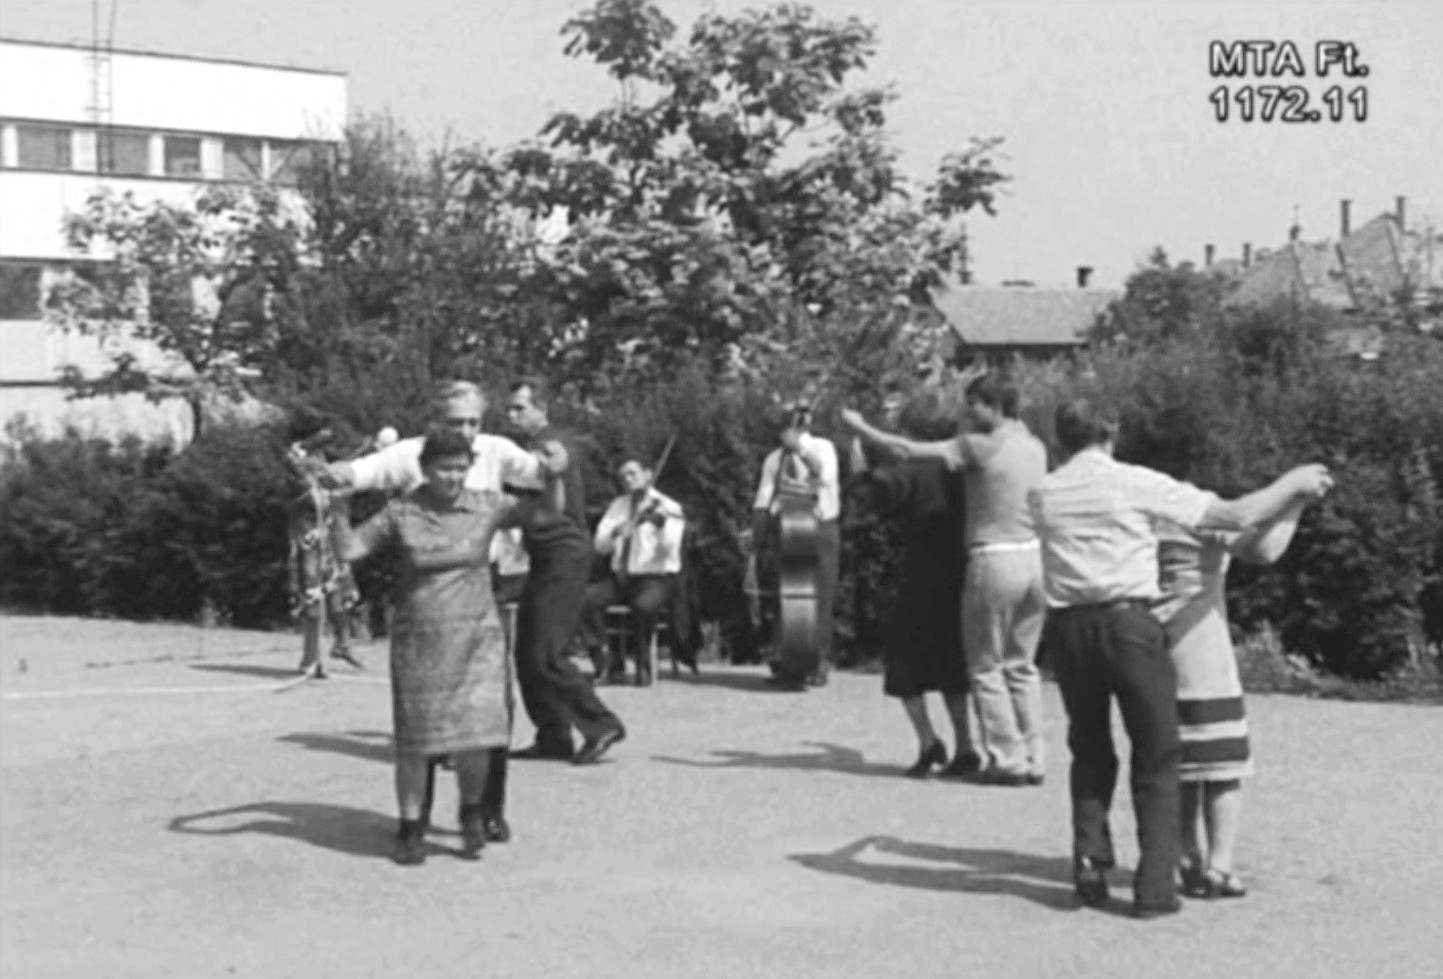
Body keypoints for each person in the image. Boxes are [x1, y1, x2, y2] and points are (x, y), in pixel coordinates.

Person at [1025, 397, 1332, 919]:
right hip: (1127, 620)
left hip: (1068, 628)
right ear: (1111, 431)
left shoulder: (1043, 492)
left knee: (1090, 747)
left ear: (1059, 439)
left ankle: (1090, 858)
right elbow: (1236, 516)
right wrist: (1295, 484)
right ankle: (1154, 888)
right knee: (1158, 752)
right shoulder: (1134, 483)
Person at [320, 380, 546, 844]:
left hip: (479, 605)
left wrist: (557, 463)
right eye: (455, 422)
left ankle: (482, 812)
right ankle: (413, 824)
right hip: (421, 615)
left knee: (485, 722)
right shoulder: (405, 470)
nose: (465, 431)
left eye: (473, 422)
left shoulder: (496, 456)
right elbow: (361, 477)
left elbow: (542, 483)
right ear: (433, 427)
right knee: (421, 730)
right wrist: (337, 485)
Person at [842, 373, 1049, 785]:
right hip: (1032, 557)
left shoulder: (977, 448)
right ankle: (1034, 756)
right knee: (1022, 667)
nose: (967, 415)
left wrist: (860, 429)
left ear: (992, 405)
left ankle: (1005, 759)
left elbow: (901, 454)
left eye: (973, 405)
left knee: (985, 668)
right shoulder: (1034, 445)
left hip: (991, 559)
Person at [1156, 492, 1320, 900]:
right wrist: (1296, 501)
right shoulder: (1200, 511)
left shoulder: (1147, 511)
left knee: (1180, 767)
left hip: (1155, 652)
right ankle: (1220, 864)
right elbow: (1265, 549)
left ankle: (1187, 855)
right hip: (1204, 653)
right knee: (1223, 767)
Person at [846, 389, 979, 778]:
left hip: (920, 574)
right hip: (960, 573)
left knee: (904, 665)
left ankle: (928, 740)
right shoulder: (962, 468)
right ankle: (966, 745)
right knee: (954, 665)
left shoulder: (908, 472)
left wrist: (858, 466)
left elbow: (868, 500)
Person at [504, 377, 627, 765]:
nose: (511, 415)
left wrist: (555, 459)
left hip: (565, 555)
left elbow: (560, 456)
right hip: (544, 557)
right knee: (527, 652)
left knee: (547, 652)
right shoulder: (527, 449)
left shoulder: (549, 442)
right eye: (509, 408)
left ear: (542, 408)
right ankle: (553, 736)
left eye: (520, 408)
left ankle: (601, 723)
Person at [750, 403, 842, 688]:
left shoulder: (823, 447)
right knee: (787, 595)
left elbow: (824, 476)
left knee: (822, 594)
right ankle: (789, 662)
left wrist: (800, 450)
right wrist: (757, 536)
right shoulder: (773, 459)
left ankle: (819, 662)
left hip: (821, 525)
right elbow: (763, 498)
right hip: (787, 527)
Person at [581, 457, 686, 686]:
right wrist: (616, 532)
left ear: (648, 474)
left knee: (643, 606)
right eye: (623, 476)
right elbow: (599, 545)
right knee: (586, 599)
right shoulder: (618, 506)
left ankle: (643, 663)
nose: (628, 480)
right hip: (621, 578)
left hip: (656, 578)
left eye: (633, 474)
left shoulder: (668, 507)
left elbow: (671, 549)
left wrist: (661, 526)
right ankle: (606, 662)